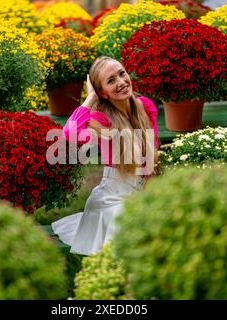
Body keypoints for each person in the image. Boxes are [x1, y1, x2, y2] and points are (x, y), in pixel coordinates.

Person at [51, 56, 160, 256]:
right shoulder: (101, 119)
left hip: (141, 194)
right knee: (133, 231)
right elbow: (70, 135)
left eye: (122, 73)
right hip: (112, 199)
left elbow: (151, 158)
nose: (121, 82)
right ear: (102, 92)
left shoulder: (145, 107)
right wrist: (91, 98)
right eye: (111, 81)